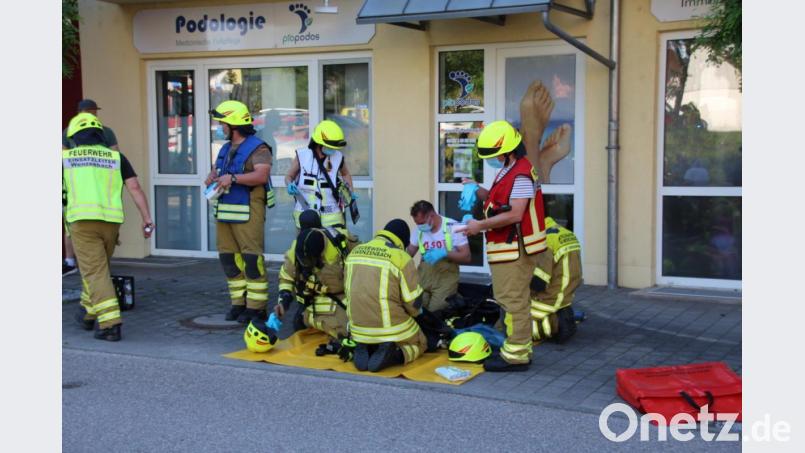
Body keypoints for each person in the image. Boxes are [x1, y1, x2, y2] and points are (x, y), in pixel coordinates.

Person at [462, 120, 547, 372]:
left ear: (509, 149)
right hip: (507, 246)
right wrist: (476, 189)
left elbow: (515, 214)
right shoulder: (511, 168)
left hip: (514, 247)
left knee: (514, 300)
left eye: (495, 154)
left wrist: (480, 225)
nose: (493, 159)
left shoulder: (520, 173)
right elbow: (499, 200)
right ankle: (516, 347)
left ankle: (516, 356)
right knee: (510, 298)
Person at [63, 113, 153, 341]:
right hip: (111, 225)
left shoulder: (65, 158)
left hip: (83, 223)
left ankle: (110, 324)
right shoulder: (116, 157)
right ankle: (88, 312)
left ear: (73, 136)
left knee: (94, 272)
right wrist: (147, 219)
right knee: (98, 269)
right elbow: (134, 188)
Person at [205, 100, 272, 324]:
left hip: (248, 210)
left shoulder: (259, 148)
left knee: (251, 260)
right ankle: (238, 303)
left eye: (222, 123)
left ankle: (257, 307)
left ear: (233, 124)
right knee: (229, 259)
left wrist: (233, 178)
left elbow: (261, 176)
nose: (220, 127)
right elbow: (217, 170)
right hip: (225, 211)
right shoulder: (225, 148)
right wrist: (212, 177)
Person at [344, 219, 428, 372]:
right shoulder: (401, 257)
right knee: (420, 341)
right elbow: (413, 303)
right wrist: (418, 314)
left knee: (371, 329)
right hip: (388, 327)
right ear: (402, 240)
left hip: (356, 327)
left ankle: (366, 345)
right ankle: (395, 355)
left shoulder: (355, 252)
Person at [62, 99, 120, 277]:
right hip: (96, 185)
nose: (96, 114)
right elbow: (116, 154)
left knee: (72, 223)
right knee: (76, 224)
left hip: (78, 186)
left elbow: (62, 155)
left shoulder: (69, 131)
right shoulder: (104, 131)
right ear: (86, 111)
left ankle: (76, 262)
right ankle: (72, 261)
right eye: (94, 111)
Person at [274, 220, 351, 353]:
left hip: (341, 296)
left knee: (347, 330)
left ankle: (317, 319)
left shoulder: (340, 245)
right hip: (311, 299)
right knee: (302, 324)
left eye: (308, 261)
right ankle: (305, 315)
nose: (305, 264)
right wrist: (283, 301)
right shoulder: (297, 247)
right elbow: (286, 276)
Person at [284, 120, 358, 243]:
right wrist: (289, 184)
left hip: (333, 220)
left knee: (332, 257)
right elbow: (289, 176)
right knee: (306, 254)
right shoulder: (302, 156)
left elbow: (345, 174)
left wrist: (350, 191)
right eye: (330, 147)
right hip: (305, 217)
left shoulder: (338, 157)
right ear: (318, 143)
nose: (333, 150)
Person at [406, 200, 471, 312]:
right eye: (417, 223)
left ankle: (457, 300)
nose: (419, 226)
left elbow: (467, 257)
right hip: (424, 278)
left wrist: (445, 252)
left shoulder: (453, 227)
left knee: (436, 312)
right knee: (417, 309)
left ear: (431, 216)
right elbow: (408, 254)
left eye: (421, 223)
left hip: (445, 279)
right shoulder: (418, 231)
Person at [529, 217, 582, 343]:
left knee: (516, 320)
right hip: (568, 290)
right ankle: (562, 320)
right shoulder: (566, 233)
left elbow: (539, 282)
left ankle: (553, 325)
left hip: (552, 293)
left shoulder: (545, 240)